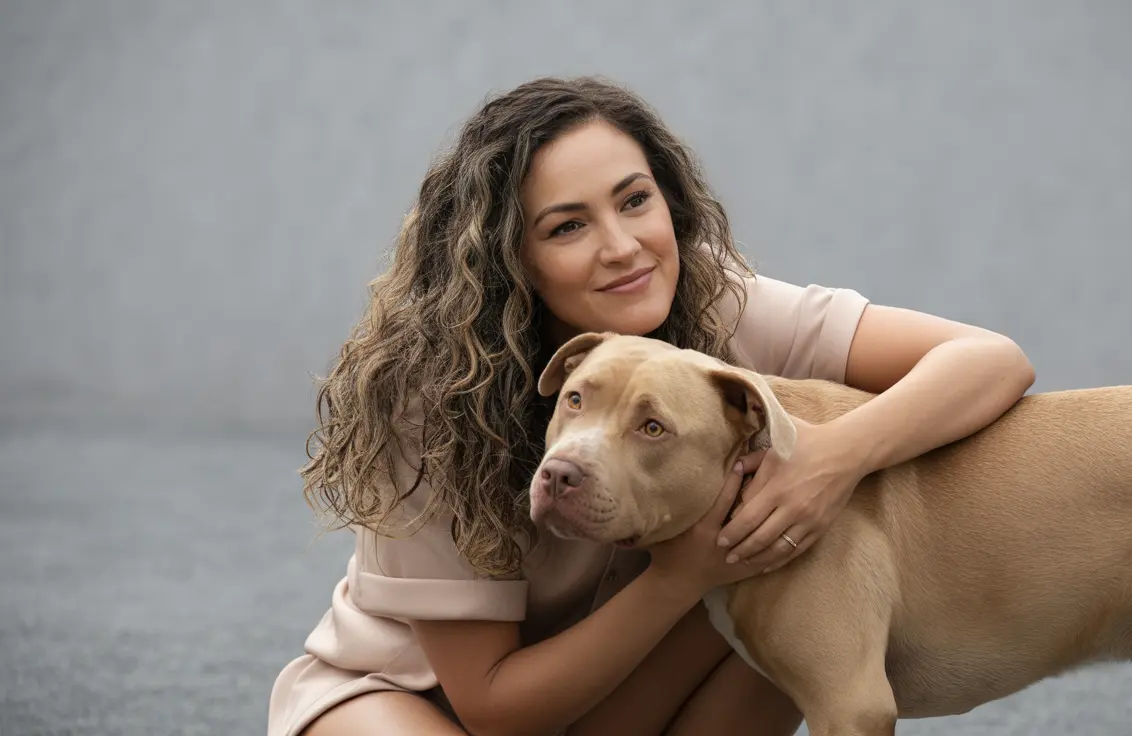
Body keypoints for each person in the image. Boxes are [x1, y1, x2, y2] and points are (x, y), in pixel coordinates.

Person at [268, 75, 1035, 736]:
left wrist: (834, 459)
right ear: (510, 259)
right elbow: (494, 709)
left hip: (623, 683)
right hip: (417, 695)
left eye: (635, 201)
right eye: (568, 226)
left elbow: (990, 360)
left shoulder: (719, 304)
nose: (623, 247)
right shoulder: (436, 395)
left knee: (785, 568)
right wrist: (680, 577)